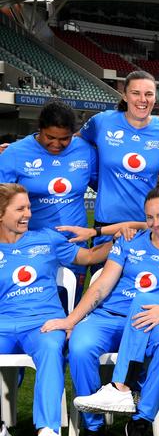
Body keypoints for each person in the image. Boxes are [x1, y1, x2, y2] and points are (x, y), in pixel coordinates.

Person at [41, 181, 159, 436]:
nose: (156, 223)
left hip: (151, 320)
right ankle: (94, 429)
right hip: (109, 316)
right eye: (149, 217)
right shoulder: (129, 242)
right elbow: (101, 286)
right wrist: (71, 320)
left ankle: (140, 423)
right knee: (81, 346)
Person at [0, 183, 111, 436]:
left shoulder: (47, 238)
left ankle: (46, 432)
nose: (28, 213)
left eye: (28, 207)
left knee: (51, 351)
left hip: (43, 323)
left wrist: (120, 240)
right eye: (20, 209)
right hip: (3, 323)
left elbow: (88, 257)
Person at [78, 70, 159, 245]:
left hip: (147, 225)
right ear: (124, 95)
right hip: (106, 226)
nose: (143, 99)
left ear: (155, 98)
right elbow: (72, 145)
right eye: (135, 93)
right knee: (102, 273)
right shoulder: (102, 122)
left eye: (149, 94)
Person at [0, 100, 97, 302]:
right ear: (39, 129)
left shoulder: (86, 151)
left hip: (74, 244)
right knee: (32, 306)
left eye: (65, 139)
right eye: (50, 137)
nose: (56, 144)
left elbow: (105, 185)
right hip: (29, 247)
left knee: (70, 305)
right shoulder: (15, 153)